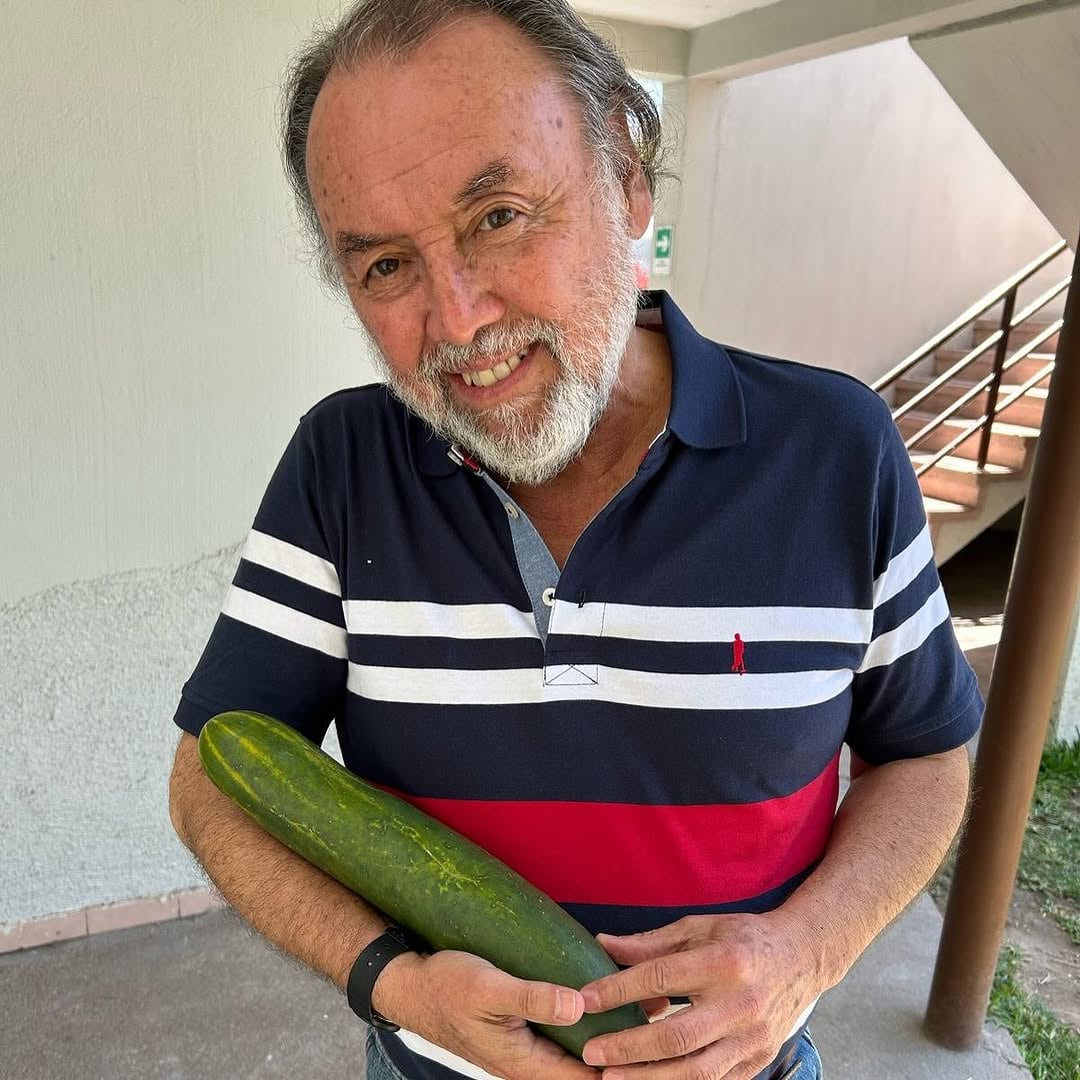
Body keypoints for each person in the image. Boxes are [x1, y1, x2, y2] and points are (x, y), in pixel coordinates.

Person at [168, 2, 981, 1078]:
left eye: (498, 216)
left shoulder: (835, 451)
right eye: (386, 268)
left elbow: (923, 753)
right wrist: (394, 985)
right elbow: (211, 776)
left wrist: (808, 951)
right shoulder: (341, 465)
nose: (458, 323)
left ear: (627, 177)